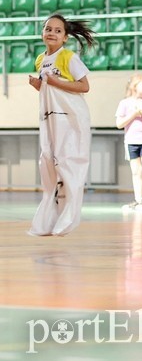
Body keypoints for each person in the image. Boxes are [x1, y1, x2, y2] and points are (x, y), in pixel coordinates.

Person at [27, 14, 96, 237]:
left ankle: (69, 218)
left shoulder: (68, 57)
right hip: (50, 119)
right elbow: (49, 91)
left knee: (67, 164)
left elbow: (84, 86)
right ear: (42, 33)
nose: (52, 33)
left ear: (65, 37)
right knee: (47, 163)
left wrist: (56, 82)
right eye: (48, 29)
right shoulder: (40, 59)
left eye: (57, 30)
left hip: (71, 118)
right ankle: (49, 219)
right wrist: (40, 85)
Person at [115, 74, 142, 210]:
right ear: (134, 87)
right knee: (136, 171)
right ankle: (138, 200)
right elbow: (119, 124)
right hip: (131, 141)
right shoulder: (124, 103)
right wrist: (133, 115)